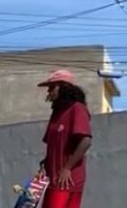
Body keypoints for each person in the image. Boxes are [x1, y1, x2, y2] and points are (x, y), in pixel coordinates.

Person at [37, 70, 92, 208]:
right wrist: (44, 165)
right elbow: (54, 148)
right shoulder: (56, 114)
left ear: (64, 87)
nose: (49, 92)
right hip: (54, 179)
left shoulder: (77, 109)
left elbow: (85, 141)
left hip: (67, 180)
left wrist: (67, 168)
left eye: (52, 87)